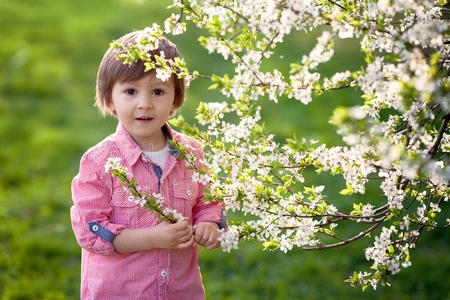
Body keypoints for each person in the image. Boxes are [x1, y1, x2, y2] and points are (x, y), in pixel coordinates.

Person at [70, 30, 227, 300]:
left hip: (179, 290)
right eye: (130, 91)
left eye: (158, 91)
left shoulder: (191, 153)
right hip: (118, 292)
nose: (145, 104)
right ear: (110, 100)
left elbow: (208, 202)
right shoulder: (98, 163)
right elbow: (90, 230)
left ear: (175, 101)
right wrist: (153, 238)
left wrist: (209, 225)